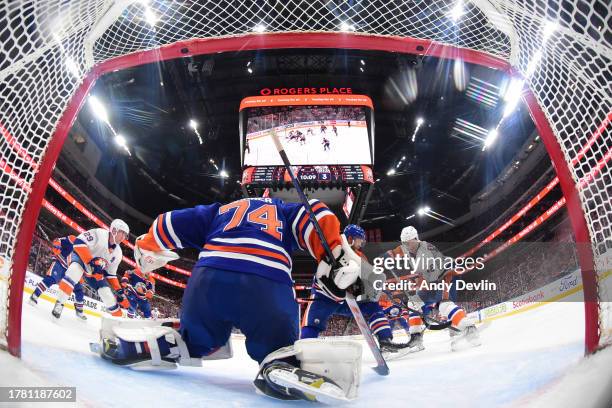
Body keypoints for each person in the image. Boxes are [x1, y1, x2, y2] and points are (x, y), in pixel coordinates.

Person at [96, 198, 364, 403]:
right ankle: (280, 361)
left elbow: (170, 222)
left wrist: (146, 244)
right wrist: (334, 253)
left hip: (208, 281)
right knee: (276, 343)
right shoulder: (284, 210)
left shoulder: (220, 210)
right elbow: (316, 213)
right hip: (266, 282)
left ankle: (180, 343)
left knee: (201, 338)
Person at [301, 224, 413, 357]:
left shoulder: (361, 256)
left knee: (373, 307)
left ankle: (385, 342)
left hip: (346, 299)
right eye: (360, 240)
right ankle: (304, 353)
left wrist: (377, 290)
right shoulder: (335, 247)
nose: (361, 243)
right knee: (313, 321)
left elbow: (369, 279)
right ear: (350, 239)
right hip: (326, 294)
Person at [385, 226, 481, 351]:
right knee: (414, 304)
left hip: (446, 276)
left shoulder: (425, 253)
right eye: (405, 243)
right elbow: (396, 252)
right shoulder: (409, 248)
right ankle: (416, 338)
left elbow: (427, 280)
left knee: (444, 305)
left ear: (416, 239)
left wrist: (413, 285)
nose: (408, 246)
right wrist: (386, 257)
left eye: (410, 243)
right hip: (432, 279)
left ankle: (469, 328)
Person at [51, 219, 131, 319]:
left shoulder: (118, 253)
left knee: (106, 292)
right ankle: (60, 303)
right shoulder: (99, 233)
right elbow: (78, 242)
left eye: (125, 235)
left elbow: (111, 274)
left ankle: (119, 320)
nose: (123, 237)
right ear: (114, 230)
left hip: (95, 270)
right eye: (122, 233)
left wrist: (120, 292)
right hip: (82, 259)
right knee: (74, 272)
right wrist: (90, 261)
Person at [29, 235, 87, 320]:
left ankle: (79, 311)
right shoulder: (73, 239)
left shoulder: (87, 250)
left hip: (71, 270)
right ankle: (35, 295)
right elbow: (58, 240)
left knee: (79, 290)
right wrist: (57, 245)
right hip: (60, 264)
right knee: (51, 279)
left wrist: (80, 276)